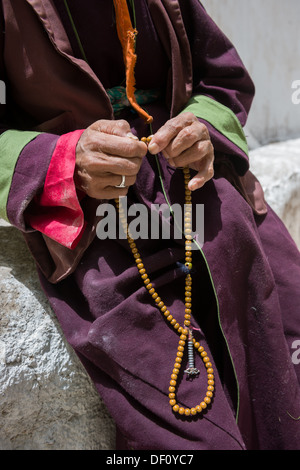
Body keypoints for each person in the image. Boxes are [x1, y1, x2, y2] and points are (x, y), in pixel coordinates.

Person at [0, 0, 299, 450]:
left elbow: (222, 81)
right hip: (100, 229)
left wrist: (203, 128)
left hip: (215, 203)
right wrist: (62, 160)